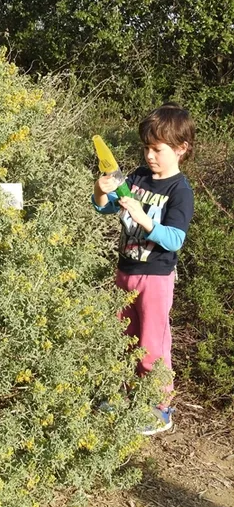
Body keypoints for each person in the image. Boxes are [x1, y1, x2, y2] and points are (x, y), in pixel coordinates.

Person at [92, 103, 195, 435]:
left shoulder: (180, 191)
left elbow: (174, 239)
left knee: (152, 342)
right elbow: (105, 208)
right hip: (126, 271)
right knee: (126, 339)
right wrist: (101, 189)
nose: (150, 155)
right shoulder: (135, 176)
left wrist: (144, 219)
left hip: (156, 278)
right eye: (147, 148)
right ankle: (129, 399)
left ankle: (161, 408)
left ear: (181, 149)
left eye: (158, 149)